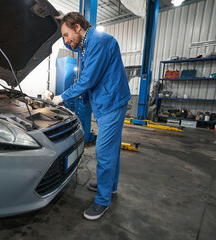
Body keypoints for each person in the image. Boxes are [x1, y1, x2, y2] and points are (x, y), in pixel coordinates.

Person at [53, 12, 131, 220]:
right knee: (112, 148)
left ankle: (102, 200)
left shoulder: (98, 41)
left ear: (77, 27)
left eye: (67, 34)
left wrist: (61, 97)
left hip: (111, 103)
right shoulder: (87, 45)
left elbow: (87, 80)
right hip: (109, 100)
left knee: (103, 152)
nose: (66, 40)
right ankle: (110, 186)